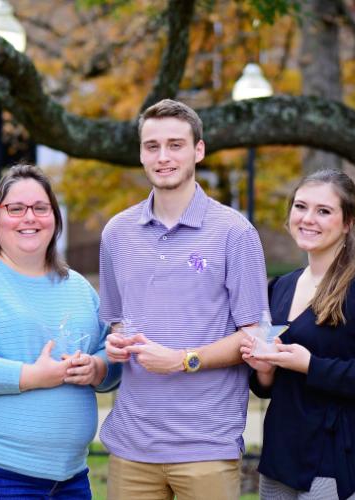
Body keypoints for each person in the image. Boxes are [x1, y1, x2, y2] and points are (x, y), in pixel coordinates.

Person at [99, 99, 268, 500]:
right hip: (132, 445)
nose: (163, 157)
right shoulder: (116, 233)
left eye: (175, 145)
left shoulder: (235, 233)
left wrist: (183, 360)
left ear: (198, 150)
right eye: (152, 146)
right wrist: (117, 341)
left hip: (206, 445)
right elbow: (118, 320)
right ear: (141, 154)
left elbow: (256, 336)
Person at [0, 164, 121, 499]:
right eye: (16, 208)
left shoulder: (77, 287)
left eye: (40, 208)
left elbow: (110, 350)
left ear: (54, 218)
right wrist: (32, 376)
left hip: (69, 477)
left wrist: (98, 368)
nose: (29, 217)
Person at [240, 168, 355, 500]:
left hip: (344, 460)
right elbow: (269, 387)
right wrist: (264, 371)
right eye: (301, 206)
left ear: (348, 222)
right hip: (282, 456)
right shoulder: (281, 287)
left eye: (324, 211)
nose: (308, 219)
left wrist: (311, 365)